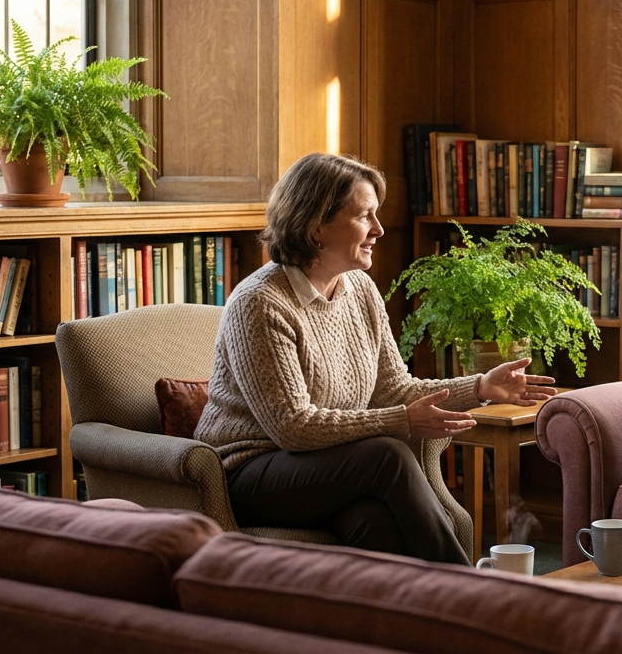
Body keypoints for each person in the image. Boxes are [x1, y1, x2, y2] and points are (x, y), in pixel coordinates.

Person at [194, 153, 556, 565]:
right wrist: (401, 420)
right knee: (387, 454)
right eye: (365, 216)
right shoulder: (259, 303)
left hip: (326, 467)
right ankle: (475, 597)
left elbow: (393, 389)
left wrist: (480, 387)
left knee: (371, 520)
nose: (379, 230)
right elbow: (292, 428)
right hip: (247, 473)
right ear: (316, 227)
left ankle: (414, 623)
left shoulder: (361, 290)